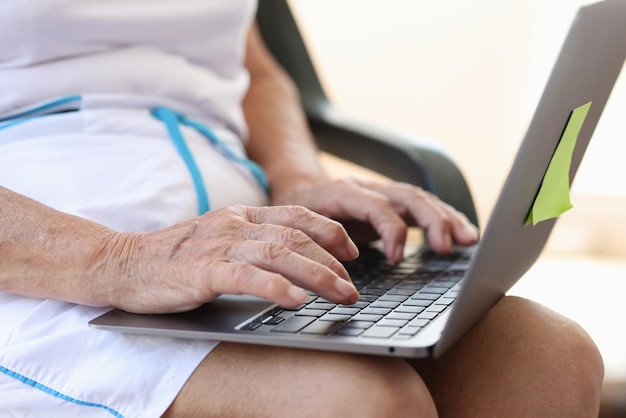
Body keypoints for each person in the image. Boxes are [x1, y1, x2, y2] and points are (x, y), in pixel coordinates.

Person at [0, 1, 603, 417]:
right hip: (47, 272)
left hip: (231, 247)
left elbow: (253, 72)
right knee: (356, 403)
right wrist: (121, 259)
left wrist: (297, 179)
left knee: (543, 354)